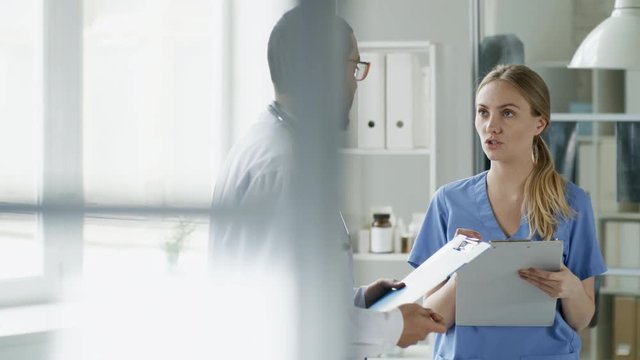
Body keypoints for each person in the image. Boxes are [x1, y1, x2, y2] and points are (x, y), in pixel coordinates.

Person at [210, 4, 446, 359]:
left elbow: (293, 288)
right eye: (354, 68)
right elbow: (282, 315)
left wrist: (360, 299)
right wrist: (394, 326)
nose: (355, 83)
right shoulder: (284, 166)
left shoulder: (279, 145)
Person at [408, 64, 607, 360]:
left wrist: (571, 289)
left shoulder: (572, 203)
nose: (491, 126)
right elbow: (431, 318)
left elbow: (581, 319)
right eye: (483, 112)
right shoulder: (448, 202)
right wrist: (465, 274)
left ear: (539, 123)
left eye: (508, 113)